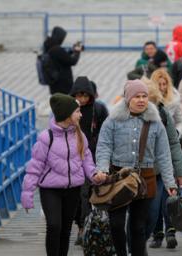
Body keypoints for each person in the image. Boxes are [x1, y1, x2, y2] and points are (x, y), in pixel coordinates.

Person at [95, 79, 177, 256]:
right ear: (127, 99)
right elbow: (104, 146)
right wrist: (101, 169)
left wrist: (170, 183)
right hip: (119, 178)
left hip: (145, 179)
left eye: (144, 96)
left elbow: (164, 154)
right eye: (137, 96)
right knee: (116, 224)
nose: (141, 100)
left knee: (138, 226)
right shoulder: (112, 121)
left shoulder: (156, 123)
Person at [22, 93, 107, 256]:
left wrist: (94, 174)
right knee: (54, 226)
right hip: (50, 190)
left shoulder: (80, 136)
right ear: (67, 115)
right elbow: (34, 167)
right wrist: (27, 194)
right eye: (77, 112)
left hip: (73, 189)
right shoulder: (46, 138)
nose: (81, 115)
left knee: (66, 230)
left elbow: (87, 160)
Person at [142, 77, 182, 250]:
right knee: (147, 211)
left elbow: (173, 142)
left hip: (161, 169)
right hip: (138, 172)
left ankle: (168, 231)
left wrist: (180, 170)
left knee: (162, 204)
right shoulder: (129, 116)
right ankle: (152, 235)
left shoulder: (162, 113)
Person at [68, 77, 109, 245]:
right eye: (79, 95)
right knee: (76, 195)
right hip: (73, 158)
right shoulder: (70, 110)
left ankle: (84, 227)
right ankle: (80, 224)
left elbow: (106, 130)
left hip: (92, 156)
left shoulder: (98, 109)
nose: (82, 99)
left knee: (86, 193)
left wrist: (94, 143)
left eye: (85, 96)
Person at [42, 26, 82, 95]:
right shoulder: (57, 49)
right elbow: (72, 61)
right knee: (65, 104)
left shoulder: (49, 46)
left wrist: (72, 51)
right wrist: (77, 51)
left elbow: (62, 57)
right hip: (63, 85)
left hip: (54, 84)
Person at [151, 68, 182, 136]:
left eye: (164, 84)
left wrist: (176, 132)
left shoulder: (174, 99)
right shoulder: (148, 100)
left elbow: (180, 122)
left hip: (168, 136)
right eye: (159, 84)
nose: (162, 88)